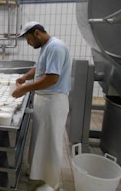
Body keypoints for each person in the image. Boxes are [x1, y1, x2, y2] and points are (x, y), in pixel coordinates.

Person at [12, 21, 71, 191]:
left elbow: (52, 78)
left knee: (51, 143)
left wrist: (24, 89)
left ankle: (53, 183)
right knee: (40, 140)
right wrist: (24, 78)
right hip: (44, 100)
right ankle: (38, 173)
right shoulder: (46, 47)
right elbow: (38, 69)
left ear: (37, 33)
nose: (28, 43)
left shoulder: (56, 47)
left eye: (29, 39)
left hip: (54, 102)